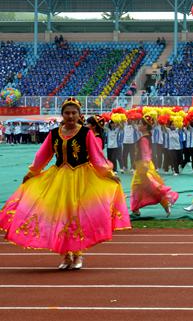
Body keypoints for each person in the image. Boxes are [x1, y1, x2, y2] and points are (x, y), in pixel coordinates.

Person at [0, 98, 130, 270]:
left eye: (74, 113)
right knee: (60, 216)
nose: (70, 116)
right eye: (67, 113)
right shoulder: (54, 133)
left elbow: (96, 156)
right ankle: (66, 255)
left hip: (82, 178)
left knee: (77, 215)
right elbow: (42, 155)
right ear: (62, 115)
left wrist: (108, 174)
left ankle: (78, 254)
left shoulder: (85, 133)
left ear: (79, 115)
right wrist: (32, 173)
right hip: (59, 178)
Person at [130, 118, 178, 217]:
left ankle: (136, 209)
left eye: (140, 124)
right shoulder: (146, 137)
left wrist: (145, 167)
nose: (138, 126)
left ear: (145, 126)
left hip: (144, 166)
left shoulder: (144, 139)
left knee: (146, 187)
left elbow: (146, 153)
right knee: (146, 188)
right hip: (142, 166)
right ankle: (136, 209)